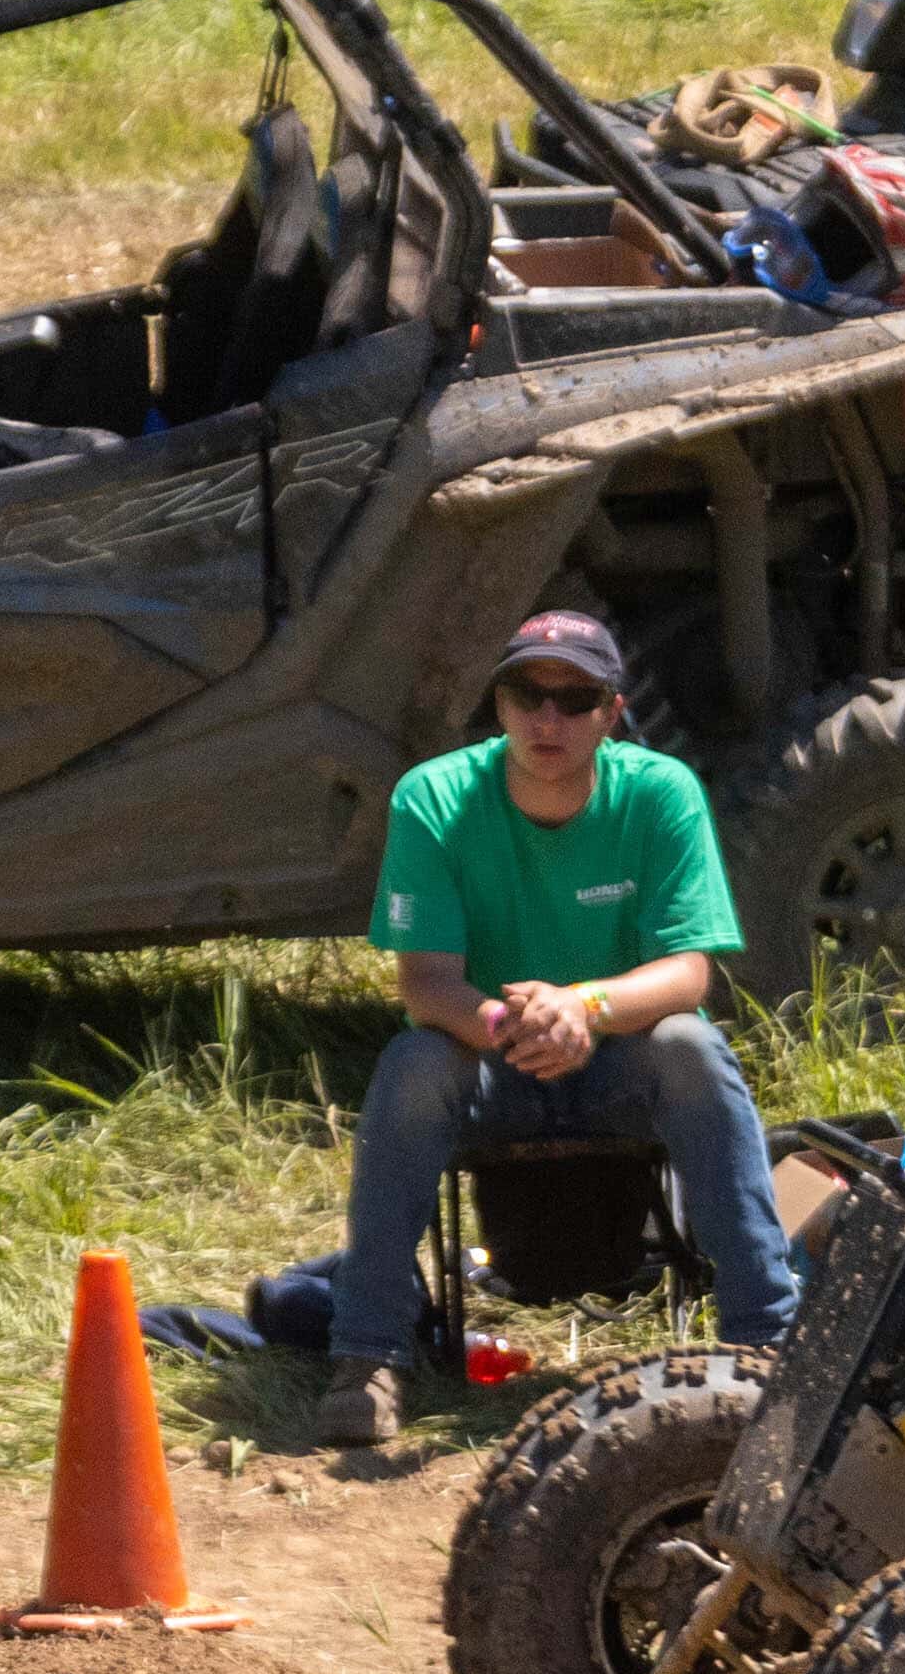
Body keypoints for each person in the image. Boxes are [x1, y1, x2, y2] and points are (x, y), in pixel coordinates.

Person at [322, 608, 792, 1446]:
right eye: (526, 693)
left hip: (619, 1068)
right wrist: (517, 1024)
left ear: (612, 713)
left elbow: (691, 973)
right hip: (488, 1063)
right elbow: (427, 986)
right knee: (411, 1063)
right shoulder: (432, 797)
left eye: (575, 699)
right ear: (498, 703)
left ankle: (769, 1340)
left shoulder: (659, 793)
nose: (548, 718)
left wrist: (585, 1009)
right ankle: (368, 1352)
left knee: (690, 1045)